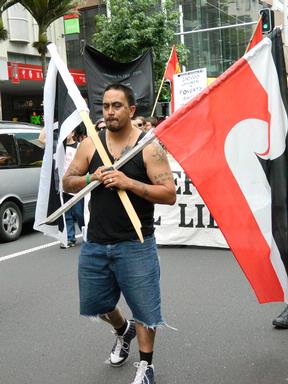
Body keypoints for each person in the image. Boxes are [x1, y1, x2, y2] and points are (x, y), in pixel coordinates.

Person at [62, 83, 176, 384]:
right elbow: (67, 182)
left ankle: (146, 365)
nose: (110, 112)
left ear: (131, 110)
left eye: (117, 106)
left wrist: (130, 183)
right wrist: (90, 177)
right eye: (106, 106)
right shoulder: (91, 145)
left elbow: (169, 194)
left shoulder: (148, 147)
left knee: (144, 309)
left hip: (136, 243)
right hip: (96, 243)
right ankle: (122, 330)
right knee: (98, 304)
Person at [60, 130, 85, 249]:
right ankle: (70, 238)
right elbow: (42, 139)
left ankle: (86, 234)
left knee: (79, 213)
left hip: (76, 185)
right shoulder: (59, 147)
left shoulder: (79, 146)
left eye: (67, 131)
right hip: (62, 186)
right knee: (66, 214)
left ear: (73, 132)